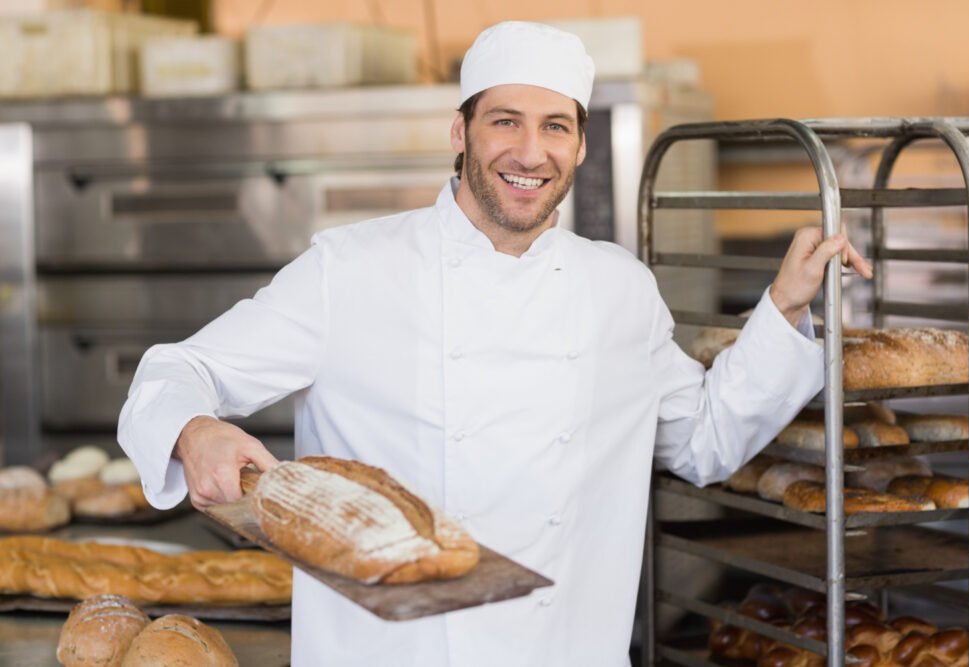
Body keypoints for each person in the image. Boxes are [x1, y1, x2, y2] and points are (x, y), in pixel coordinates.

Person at [118, 20, 871, 667]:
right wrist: (194, 428)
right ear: (461, 133)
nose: (530, 151)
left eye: (556, 127)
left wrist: (784, 304)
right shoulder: (350, 270)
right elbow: (177, 369)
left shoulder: (619, 290)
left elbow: (704, 441)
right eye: (505, 121)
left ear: (578, 148)